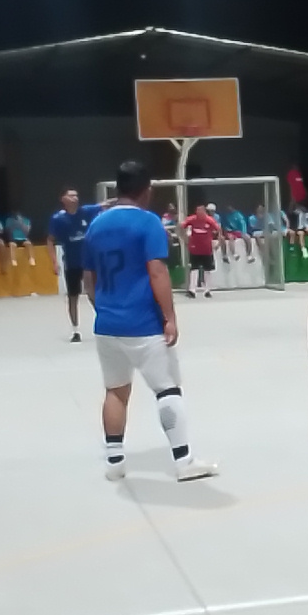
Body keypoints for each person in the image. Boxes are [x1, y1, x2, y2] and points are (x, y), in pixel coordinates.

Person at [82, 161, 219, 484]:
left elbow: (89, 279)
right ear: (146, 190)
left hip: (107, 324)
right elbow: (157, 272)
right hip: (143, 323)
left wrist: (103, 308)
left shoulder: (96, 225)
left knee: (115, 391)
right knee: (167, 389)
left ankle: (115, 462)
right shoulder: (148, 223)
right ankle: (184, 460)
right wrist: (169, 317)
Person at [48, 188, 103, 343]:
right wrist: (54, 261)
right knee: (73, 297)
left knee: (93, 293)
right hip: (71, 263)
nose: (75, 198)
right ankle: (75, 330)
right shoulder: (58, 219)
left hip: (88, 263)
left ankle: (104, 321)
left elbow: (104, 204)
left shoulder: (86, 211)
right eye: (71, 195)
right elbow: (50, 240)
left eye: (76, 195)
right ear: (63, 199)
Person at [182, 204, 222, 297]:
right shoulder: (192, 219)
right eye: (197, 211)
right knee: (194, 269)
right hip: (195, 249)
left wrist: (219, 242)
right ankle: (192, 290)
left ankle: (207, 290)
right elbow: (181, 226)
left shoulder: (209, 220)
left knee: (207, 270)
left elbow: (219, 230)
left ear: (204, 212)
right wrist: (184, 238)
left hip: (207, 249)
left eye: (201, 211)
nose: (199, 213)